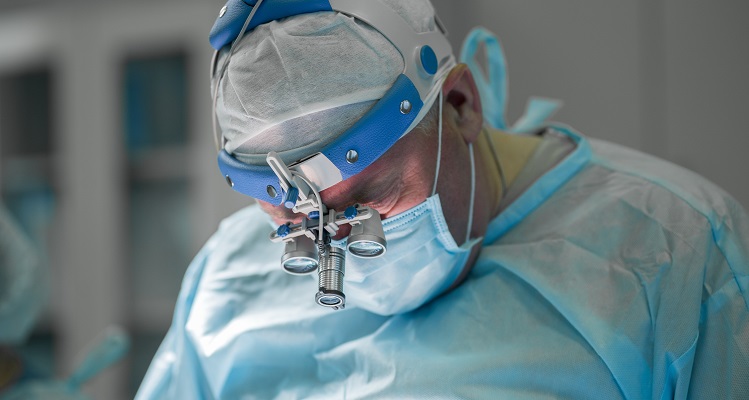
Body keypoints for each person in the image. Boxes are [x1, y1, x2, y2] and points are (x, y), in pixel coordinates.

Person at [137, 0, 749, 398]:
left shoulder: (676, 251)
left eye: (370, 203)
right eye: (293, 218)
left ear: (459, 106)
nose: (335, 251)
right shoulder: (228, 277)